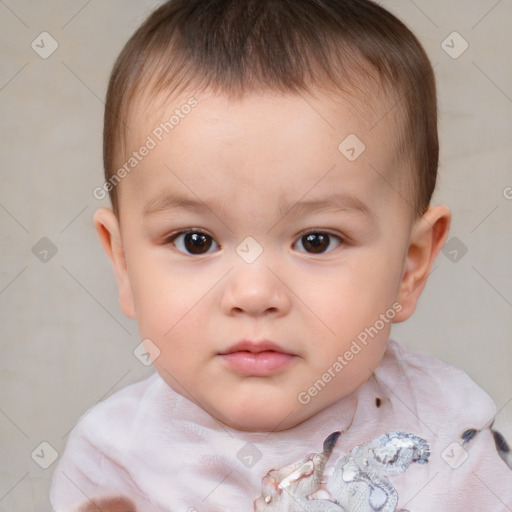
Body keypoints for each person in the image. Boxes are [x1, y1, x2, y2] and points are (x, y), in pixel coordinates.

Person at [50, 0, 512, 510]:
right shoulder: (113, 465)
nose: (253, 294)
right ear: (124, 264)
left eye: (316, 241)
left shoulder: (451, 443)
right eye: (195, 240)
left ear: (410, 264)